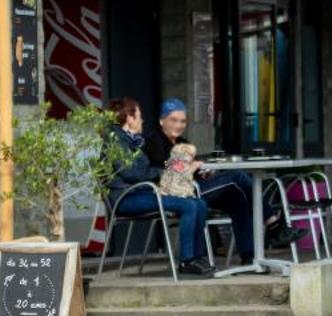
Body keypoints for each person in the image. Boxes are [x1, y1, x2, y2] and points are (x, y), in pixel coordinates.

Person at [143, 99, 299, 262]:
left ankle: (249, 256)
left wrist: (203, 172)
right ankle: (273, 222)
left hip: (195, 186)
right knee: (237, 176)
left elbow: (192, 169)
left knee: (238, 200)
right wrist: (190, 167)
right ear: (162, 121)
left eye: (182, 121)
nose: (179, 125)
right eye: (173, 120)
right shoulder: (154, 142)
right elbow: (164, 168)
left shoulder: (183, 143)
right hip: (177, 194)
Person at [105, 98, 212, 276]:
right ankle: (186, 261)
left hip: (142, 192)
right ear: (129, 118)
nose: (142, 121)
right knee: (189, 205)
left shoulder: (130, 140)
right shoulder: (116, 141)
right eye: (139, 117)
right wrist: (161, 172)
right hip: (126, 198)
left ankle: (197, 256)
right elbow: (133, 173)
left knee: (199, 203)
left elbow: (143, 170)